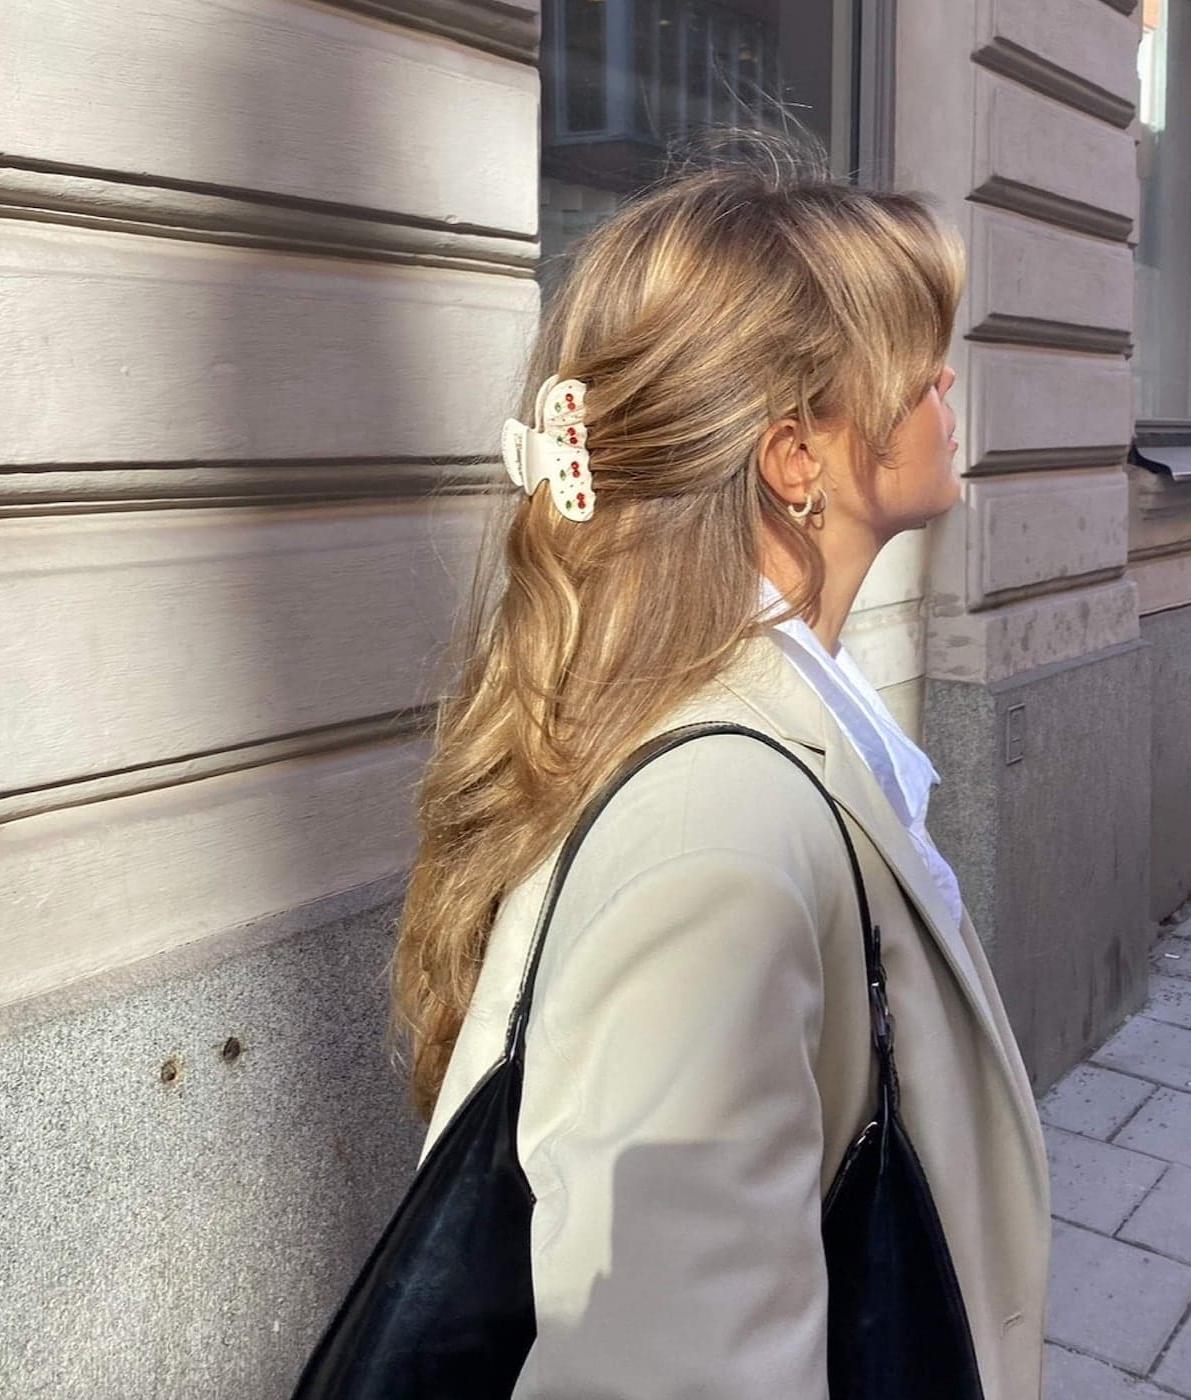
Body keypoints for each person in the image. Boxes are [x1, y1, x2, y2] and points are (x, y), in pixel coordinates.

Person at [391, 136, 1052, 1400]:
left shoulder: (744, 744)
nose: (945, 379)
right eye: (915, 361)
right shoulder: (722, 838)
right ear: (795, 455)